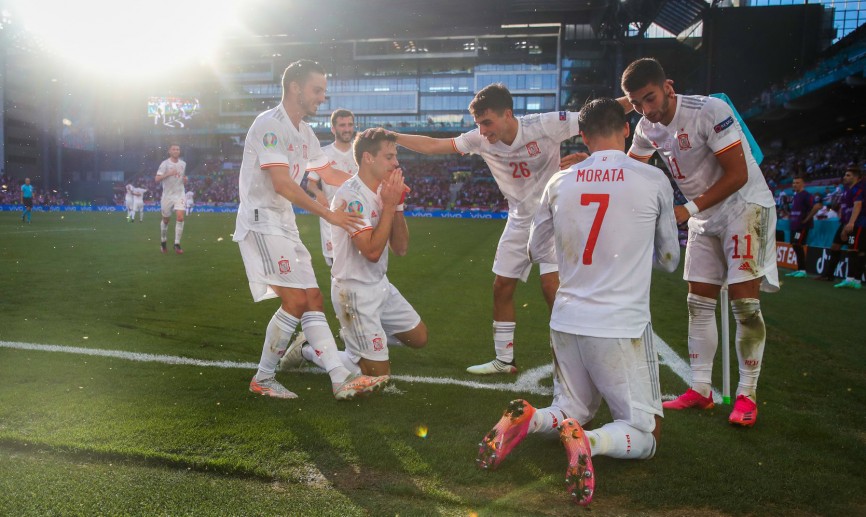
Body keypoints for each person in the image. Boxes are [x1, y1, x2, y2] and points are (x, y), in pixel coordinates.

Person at [476, 98, 679, 507]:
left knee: (571, 406)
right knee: (647, 434)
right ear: (626, 129)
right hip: (620, 323)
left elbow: (535, 250)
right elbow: (672, 260)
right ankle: (588, 441)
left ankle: (529, 419)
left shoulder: (560, 181)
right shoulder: (652, 178)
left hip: (567, 317)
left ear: (582, 138)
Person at [385, 83, 602, 375]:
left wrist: (597, 155)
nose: (483, 130)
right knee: (501, 286)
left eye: (487, 122)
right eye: (479, 124)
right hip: (519, 218)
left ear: (508, 114)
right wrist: (394, 137)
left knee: (552, 289)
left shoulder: (545, 124)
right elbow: (435, 146)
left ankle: (576, 363)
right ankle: (504, 360)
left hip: (553, 216)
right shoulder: (479, 139)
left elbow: (600, 116)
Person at [622, 57, 778, 427]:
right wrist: (591, 162)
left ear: (668, 87)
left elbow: (738, 174)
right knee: (698, 302)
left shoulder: (709, 109)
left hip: (745, 207)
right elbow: (630, 169)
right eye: (636, 103)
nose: (646, 109)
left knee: (745, 306)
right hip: (703, 215)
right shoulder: (646, 128)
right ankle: (702, 389)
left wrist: (686, 209)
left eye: (650, 98)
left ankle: (746, 395)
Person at [233, 58, 388, 401]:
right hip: (262, 220)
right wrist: (329, 215)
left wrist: (373, 185)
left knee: (312, 299)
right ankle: (263, 378)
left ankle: (339, 377)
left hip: (284, 223)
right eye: (317, 90)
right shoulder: (269, 126)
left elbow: (330, 173)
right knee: (295, 299)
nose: (322, 98)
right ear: (295, 88)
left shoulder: (304, 134)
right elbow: (283, 185)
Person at [285, 129, 427, 377]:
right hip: (354, 292)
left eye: (395, 156)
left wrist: (398, 204)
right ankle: (310, 348)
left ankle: (366, 339)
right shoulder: (351, 196)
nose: (396, 162)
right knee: (376, 377)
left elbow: (401, 249)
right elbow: (371, 251)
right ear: (368, 158)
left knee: (419, 338)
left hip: (380, 284)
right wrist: (390, 204)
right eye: (389, 156)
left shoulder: (385, 190)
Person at [306, 108, 358, 267]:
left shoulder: (361, 153)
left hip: (358, 216)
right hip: (332, 217)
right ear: (333, 128)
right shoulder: (323, 154)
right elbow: (310, 184)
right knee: (337, 268)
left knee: (360, 267)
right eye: (342, 125)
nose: (347, 129)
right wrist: (318, 192)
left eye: (350, 124)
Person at [817, 166, 862, 284]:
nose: (845, 177)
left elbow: (857, 206)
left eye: (848, 175)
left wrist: (851, 223)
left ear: (856, 178)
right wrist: (844, 224)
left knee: (854, 250)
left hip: (857, 224)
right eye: (845, 175)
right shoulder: (846, 189)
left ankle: (852, 280)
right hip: (845, 223)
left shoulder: (859, 189)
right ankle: (829, 275)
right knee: (835, 246)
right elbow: (844, 208)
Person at [785, 176, 821, 278]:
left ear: (803, 184)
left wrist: (807, 219)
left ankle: (802, 270)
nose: (795, 184)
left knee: (798, 244)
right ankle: (800, 269)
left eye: (797, 183)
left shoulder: (806, 195)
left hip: (802, 226)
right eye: (794, 183)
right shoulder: (796, 195)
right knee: (795, 244)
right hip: (795, 225)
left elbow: (817, 206)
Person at [155, 144, 187, 254]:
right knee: (165, 220)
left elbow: (181, 178)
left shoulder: (183, 164)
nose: (176, 151)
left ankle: (177, 244)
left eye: (178, 149)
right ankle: (163, 241)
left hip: (180, 194)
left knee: (180, 217)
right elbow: (157, 178)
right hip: (167, 196)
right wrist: (168, 173)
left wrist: (184, 179)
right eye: (173, 149)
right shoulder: (165, 164)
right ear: (169, 151)